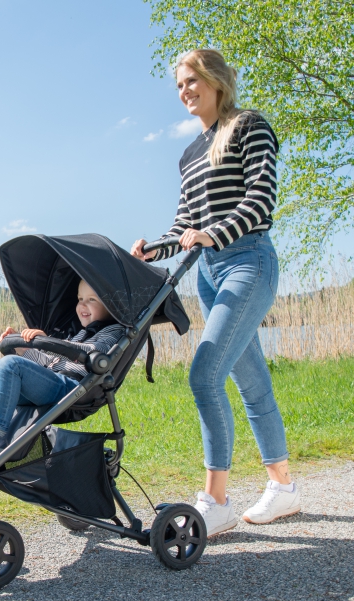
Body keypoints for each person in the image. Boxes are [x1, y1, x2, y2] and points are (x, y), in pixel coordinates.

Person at [130, 49, 300, 535]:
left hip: (248, 260)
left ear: (215, 79)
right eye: (179, 85)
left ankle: (216, 500)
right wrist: (153, 249)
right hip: (209, 272)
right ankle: (283, 488)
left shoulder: (249, 126)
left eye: (191, 81)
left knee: (205, 375)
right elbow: (185, 222)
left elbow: (261, 198)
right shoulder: (187, 154)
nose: (185, 91)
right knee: (251, 382)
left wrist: (215, 234)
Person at [0, 279, 125, 460]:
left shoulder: (113, 331)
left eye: (91, 300)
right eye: (80, 299)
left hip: (72, 388)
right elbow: (49, 362)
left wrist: (50, 341)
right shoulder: (79, 334)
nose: (82, 305)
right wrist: (24, 349)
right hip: (51, 382)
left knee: (11, 364)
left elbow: (95, 353)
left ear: (110, 304)